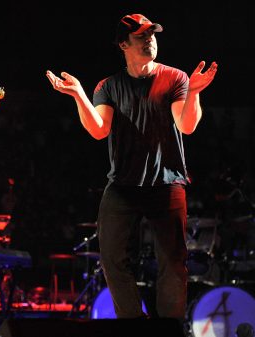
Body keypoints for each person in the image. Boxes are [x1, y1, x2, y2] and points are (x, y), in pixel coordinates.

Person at [46, 14, 218, 320]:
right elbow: (99, 129)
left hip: (166, 183)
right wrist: (79, 95)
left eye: (153, 34)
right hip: (124, 185)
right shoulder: (109, 86)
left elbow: (187, 125)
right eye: (142, 37)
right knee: (111, 258)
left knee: (173, 263)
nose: (150, 40)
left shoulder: (176, 79)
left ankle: (168, 329)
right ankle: (134, 325)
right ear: (124, 44)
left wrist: (194, 91)